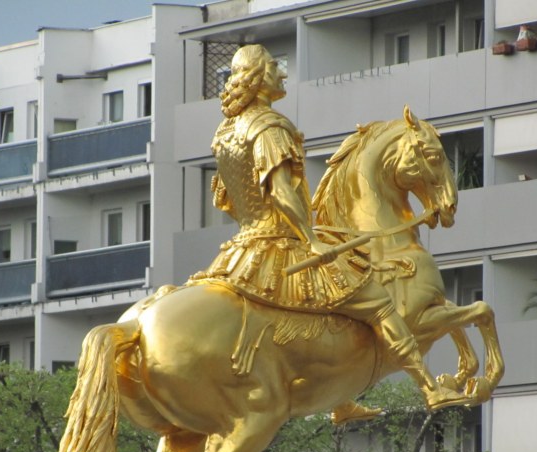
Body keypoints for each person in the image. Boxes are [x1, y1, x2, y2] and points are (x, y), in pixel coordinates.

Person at [190, 45, 464, 419]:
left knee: (326, 314)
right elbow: (282, 192)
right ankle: (431, 389)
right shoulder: (268, 127)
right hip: (280, 243)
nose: (281, 73)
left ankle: (341, 399)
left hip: (240, 249)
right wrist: (311, 238)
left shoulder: (225, 132)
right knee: (378, 305)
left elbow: (225, 200)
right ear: (256, 77)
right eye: (273, 67)